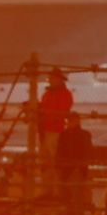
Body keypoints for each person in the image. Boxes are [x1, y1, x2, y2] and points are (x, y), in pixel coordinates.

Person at [38, 67, 74, 195]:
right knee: (45, 163)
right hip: (45, 131)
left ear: (58, 79)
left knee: (55, 162)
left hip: (55, 131)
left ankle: (56, 191)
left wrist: (44, 114)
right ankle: (47, 191)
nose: (50, 81)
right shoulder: (48, 94)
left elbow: (61, 112)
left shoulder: (64, 94)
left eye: (52, 78)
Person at [56, 111, 93, 212]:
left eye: (71, 120)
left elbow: (87, 153)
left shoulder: (83, 135)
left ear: (77, 121)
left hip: (76, 171)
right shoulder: (64, 135)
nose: (69, 122)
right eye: (68, 120)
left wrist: (79, 168)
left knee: (75, 198)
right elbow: (59, 152)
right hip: (67, 170)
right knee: (66, 199)